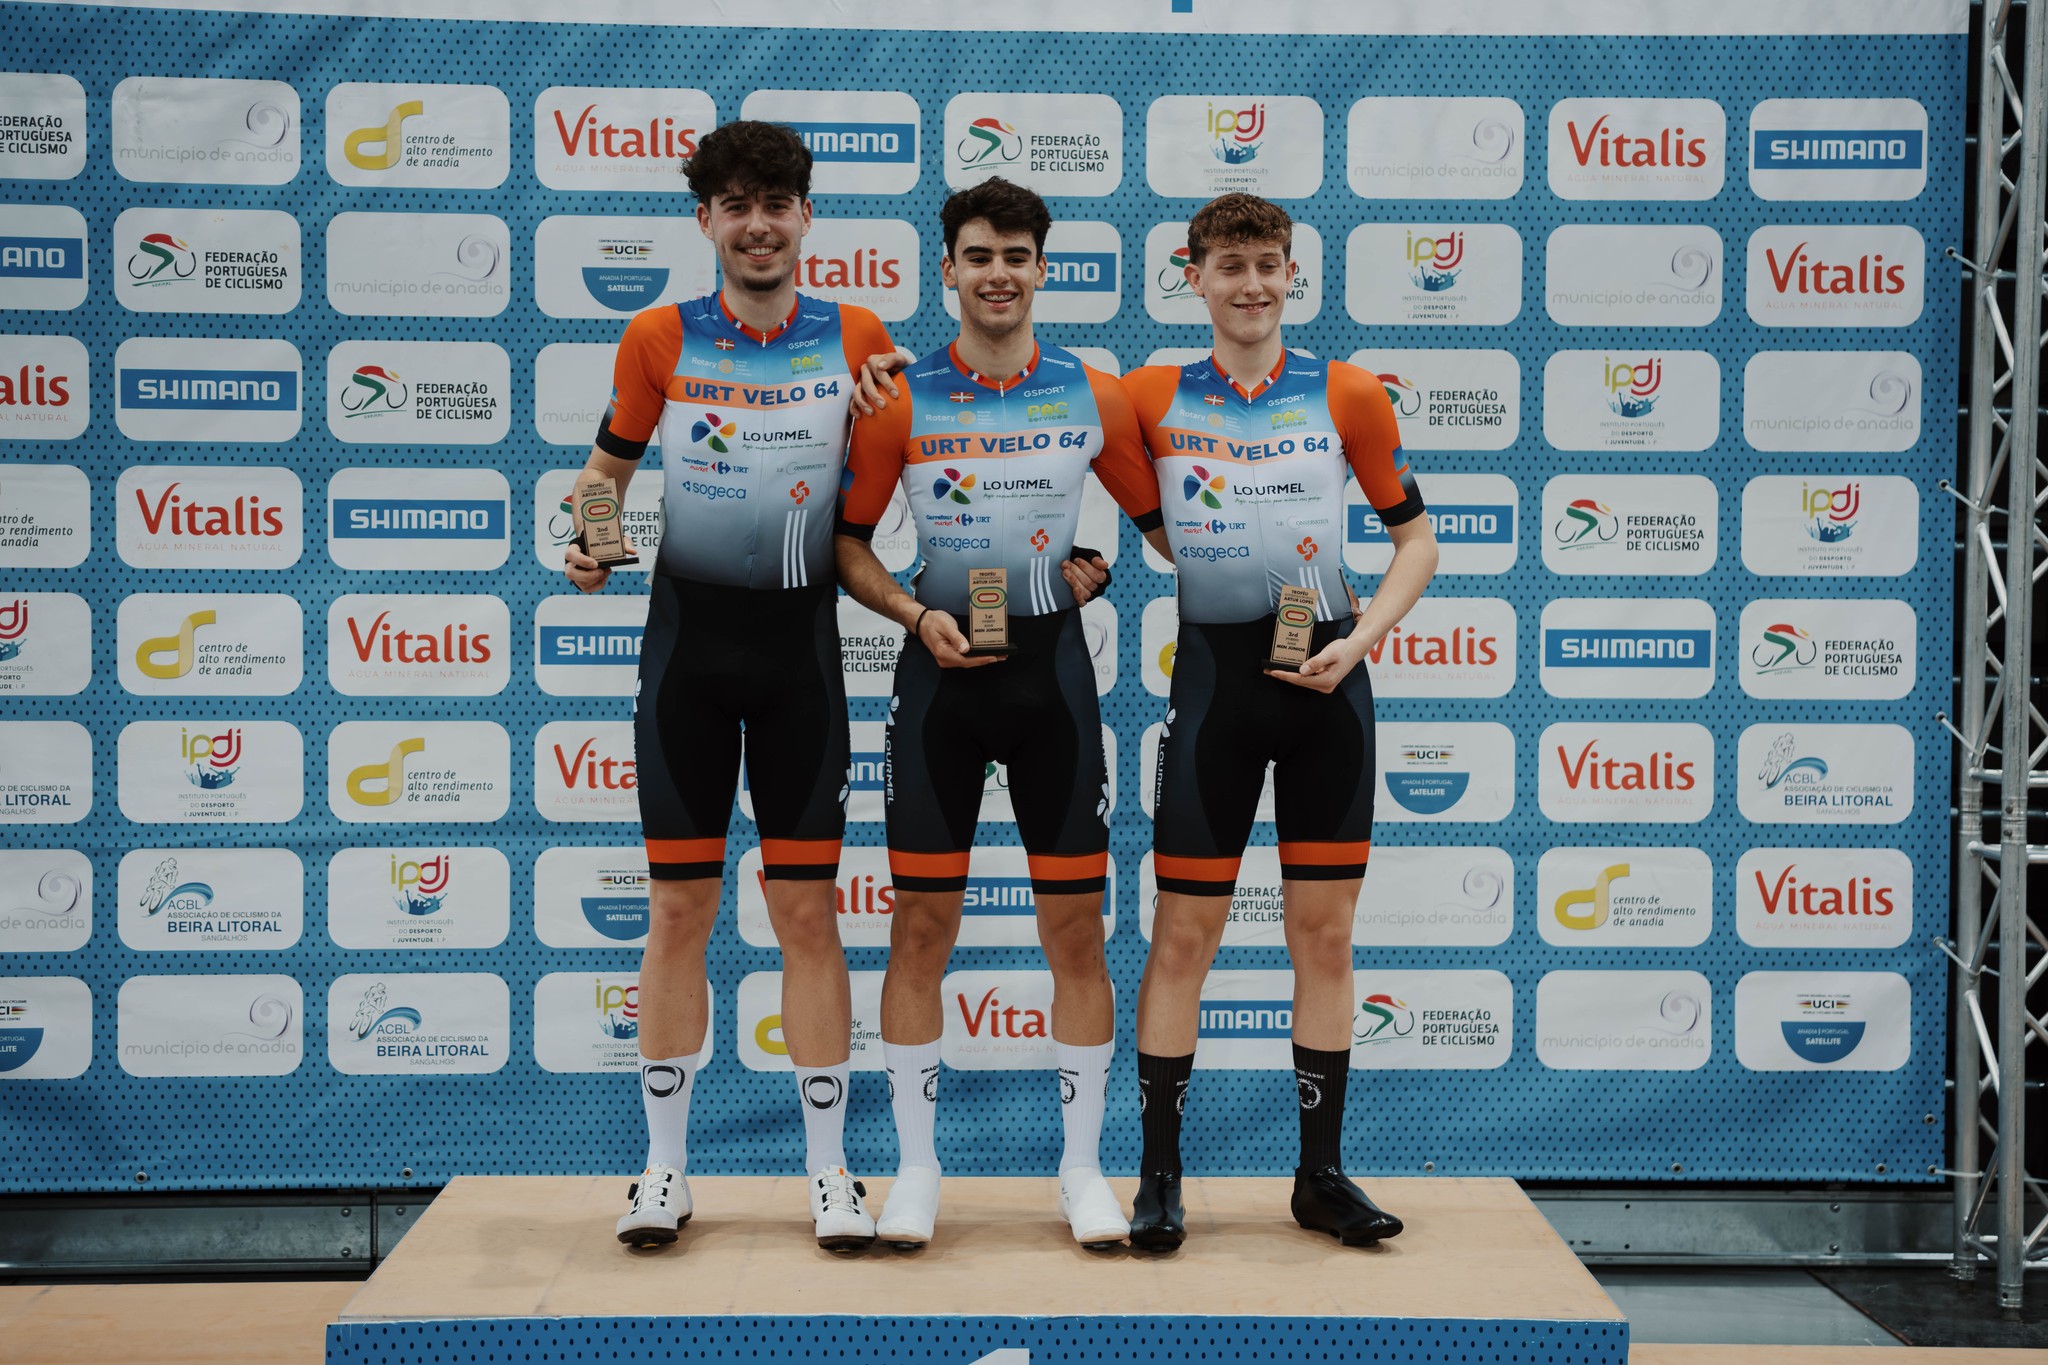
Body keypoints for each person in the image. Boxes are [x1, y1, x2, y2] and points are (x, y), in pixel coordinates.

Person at [565, 119, 902, 1253]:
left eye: (777, 203)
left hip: (799, 663)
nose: (757, 224)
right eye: (735, 205)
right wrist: (591, 543)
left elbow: (888, 483)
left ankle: (829, 1176)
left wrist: (876, 431)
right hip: (687, 663)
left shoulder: (858, 333)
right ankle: (662, 1173)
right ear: (704, 220)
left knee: (807, 914)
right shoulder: (659, 335)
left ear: (807, 218)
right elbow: (603, 471)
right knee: (678, 910)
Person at [1097, 192, 1439, 1250]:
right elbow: (1101, 477)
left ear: (1293, 273)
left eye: (1267, 265)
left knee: (1323, 937)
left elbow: (1415, 541)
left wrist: (1361, 637)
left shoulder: (1346, 393)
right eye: (1228, 265)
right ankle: (1158, 1180)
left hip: (1328, 680)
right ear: (1189, 274)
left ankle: (1318, 1176)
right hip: (1215, 689)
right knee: (1182, 937)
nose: (1249, 284)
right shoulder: (1147, 396)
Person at [835, 177, 1171, 1248]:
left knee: (1074, 930)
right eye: (977, 254)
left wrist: (1103, 575)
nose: (996, 273)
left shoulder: (1094, 392)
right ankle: (916, 1174)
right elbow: (844, 545)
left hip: (1052, 686)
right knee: (918, 928)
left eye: (1016, 255)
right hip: (935, 676)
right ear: (947, 268)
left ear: (1041, 267)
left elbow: (1165, 529)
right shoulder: (898, 395)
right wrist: (905, 609)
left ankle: (1081, 1176)